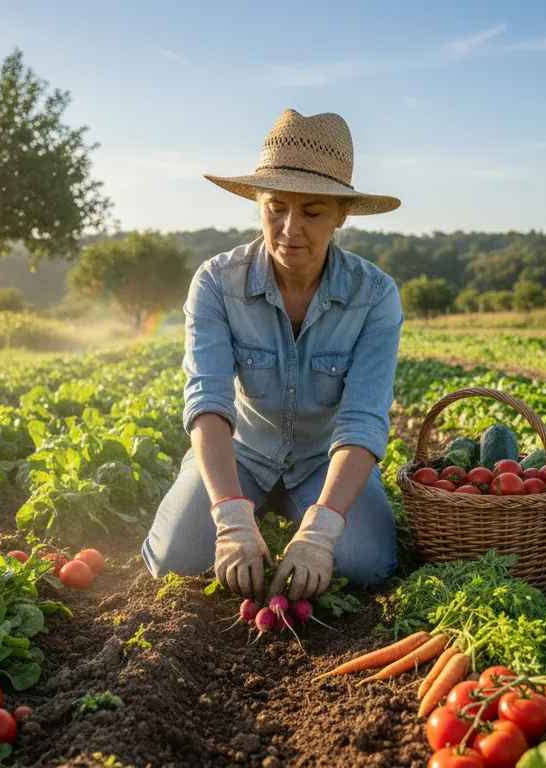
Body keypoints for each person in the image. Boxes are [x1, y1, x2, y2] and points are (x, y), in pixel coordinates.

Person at [141, 108, 404, 602]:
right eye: (275, 207)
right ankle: (251, 514)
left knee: (370, 565)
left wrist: (322, 530)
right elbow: (209, 402)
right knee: (175, 561)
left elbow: (363, 421)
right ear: (258, 204)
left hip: (323, 460)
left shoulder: (374, 296)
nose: (289, 228)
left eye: (312, 211)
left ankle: (306, 516)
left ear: (341, 215)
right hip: (243, 453)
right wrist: (231, 518)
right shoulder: (218, 283)